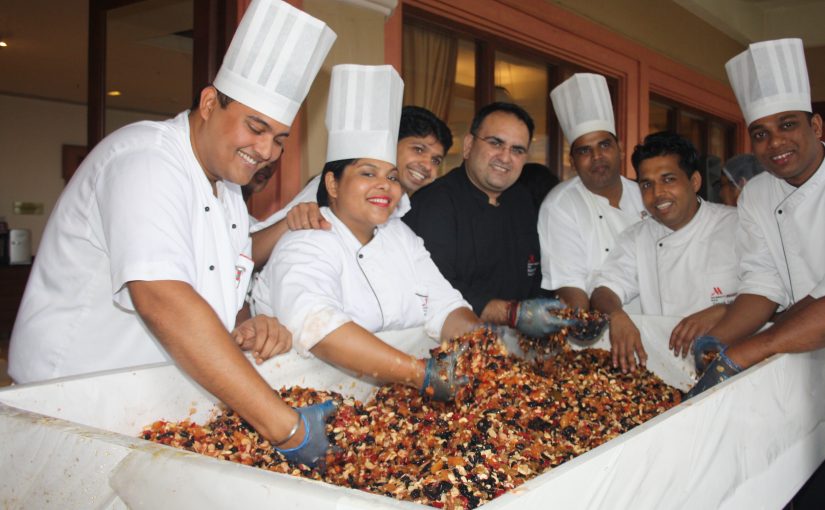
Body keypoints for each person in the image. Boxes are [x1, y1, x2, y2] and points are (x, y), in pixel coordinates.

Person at [9, 0, 337, 468]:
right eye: (256, 127)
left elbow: (225, 281)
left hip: (152, 412)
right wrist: (286, 427)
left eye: (280, 139)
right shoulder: (146, 160)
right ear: (209, 103)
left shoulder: (227, 191)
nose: (266, 150)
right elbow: (164, 299)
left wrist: (247, 321)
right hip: (72, 407)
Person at [252, 64, 480, 399]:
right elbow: (319, 325)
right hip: (306, 399)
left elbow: (446, 306)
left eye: (390, 177)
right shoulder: (307, 238)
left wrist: (483, 349)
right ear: (331, 182)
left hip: (389, 394)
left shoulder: (402, 236)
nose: (383, 186)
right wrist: (422, 374)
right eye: (367, 173)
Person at [685, 38, 825, 393]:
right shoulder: (758, 194)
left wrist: (745, 351)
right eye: (761, 134)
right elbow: (763, 283)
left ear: (817, 127)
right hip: (797, 358)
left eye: (788, 125)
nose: (775, 142)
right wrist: (716, 340)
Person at [403, 102, 583, 338]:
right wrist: (512, 313)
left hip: (520, 348)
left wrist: (552, 310)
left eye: (517, 150)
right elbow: (436, 287)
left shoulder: (522, 199)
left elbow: (535, 272)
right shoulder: (435, 201)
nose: (505, 157)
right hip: (453, 348)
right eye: (496, 143)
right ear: (468, 146)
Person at [589, 132, 739, 372]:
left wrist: (725, 311)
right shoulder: (637, 237)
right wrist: (616, 315)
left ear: (694, 181)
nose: (657, 194)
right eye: (647, 184)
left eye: (668, 180)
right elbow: (604, 290)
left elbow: (774, 298)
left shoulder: (736, 225)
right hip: (667, 369)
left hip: (735, 365)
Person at [248, 105, 452, 265]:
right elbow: (251, 252)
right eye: (418, 149)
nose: (427, 165)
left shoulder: (402, 209)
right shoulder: (342, 187)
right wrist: (290, 221)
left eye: (436, 160)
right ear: (389, 144)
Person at [539, 73, 646, 311]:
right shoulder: (560, 205)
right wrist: (588, 336)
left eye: (604, 145)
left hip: (662, 325)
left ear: (619, 149)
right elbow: (570, 286)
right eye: (585, 150)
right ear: (572, 161)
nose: (597, 157)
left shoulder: (644, 194)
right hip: (601, 333)